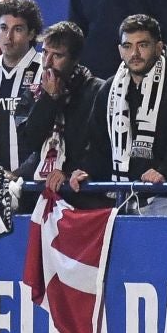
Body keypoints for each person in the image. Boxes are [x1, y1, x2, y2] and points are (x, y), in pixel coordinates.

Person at [64, 14, 167, 215]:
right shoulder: (109, 90)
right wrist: (86, 171)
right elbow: (98, 145)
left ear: (159, 47)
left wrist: (165, 172)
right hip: (122, 198)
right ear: (120, 50)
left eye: (143, 45)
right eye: (128, 46)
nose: (135, 53)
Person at [20, 22, 104, 202]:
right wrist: (49, 99)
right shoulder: (34, 91)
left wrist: (68, 172)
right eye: (45, 53)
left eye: (57, 55)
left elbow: (100, 147)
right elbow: (29, 142)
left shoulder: (97, 91)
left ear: (75, 59)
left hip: (82, 194)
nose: (47, 63)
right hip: (39, 193)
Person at [0, 0, 46, 180]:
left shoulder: (45, 71)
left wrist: (17, 176)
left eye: (18, 29)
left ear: (32, 34)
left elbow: (51, 137)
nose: (8, 36)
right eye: (3, 28)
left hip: (34, 185)